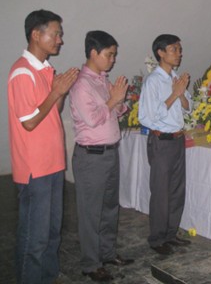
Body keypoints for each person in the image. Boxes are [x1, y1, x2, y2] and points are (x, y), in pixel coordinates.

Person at [7, 9, 79, 284]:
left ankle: (48, 277)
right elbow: (29, 122)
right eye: (56, 34)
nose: (60, 40)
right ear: (36, 34)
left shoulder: (45, 69)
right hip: (34, 168)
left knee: (51, 232)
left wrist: (59, 92)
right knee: (34, 237)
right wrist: (55, 92)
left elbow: (53, 110)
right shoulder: (22, 72)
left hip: (52, 162)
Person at [69, 31, 134, 281]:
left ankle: (107, 253)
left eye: (114, 55)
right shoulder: (81, 84)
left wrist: (120, 101)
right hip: (91, 157)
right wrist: (113, 100)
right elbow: (93, 118)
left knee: (109, 208)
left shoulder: (102, 80)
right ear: (93, 53)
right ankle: (91, 263)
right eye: (109, 54)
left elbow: (116, 110)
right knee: (90, 213)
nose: (113, 60)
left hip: (109, 153)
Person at [139, 34, 192, 255]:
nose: (179, 53)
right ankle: (157, 238)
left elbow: (188, 106)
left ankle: (171, 233)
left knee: (177, 190)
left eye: (179, 49)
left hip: (178, 139)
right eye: (174, 49)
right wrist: (174, 94)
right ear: (161, 53)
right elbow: (147, 117)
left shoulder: (175, 77)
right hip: (162, 142)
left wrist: (180, 94)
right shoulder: (153, 81)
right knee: (161, 192)